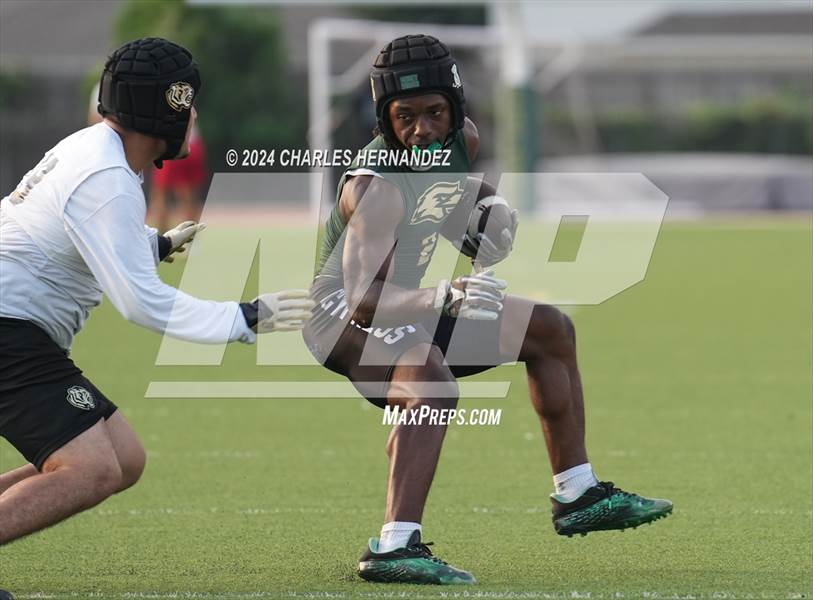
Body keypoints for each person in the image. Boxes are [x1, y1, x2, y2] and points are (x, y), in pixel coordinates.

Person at [303, 34, 672, 585]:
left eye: (433, 113)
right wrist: (441, 296)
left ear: (456, 111)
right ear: (385, 120)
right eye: (405, 117)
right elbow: (361, 297)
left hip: (405, 304)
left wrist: (487, 212)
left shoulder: (462, 142)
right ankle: (393, 547)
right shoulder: (374, 188)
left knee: (548, 329)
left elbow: (451, 201)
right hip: (342, 321)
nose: (422, 129)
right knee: (428, 378)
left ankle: (577, 493)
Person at [0, 37, 314, 553]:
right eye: (187, 105)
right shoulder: (107, 176)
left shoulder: (98, 152)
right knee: (92, 469)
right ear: (163, 111)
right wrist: (245, 317)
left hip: (19, 332)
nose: (194, 118)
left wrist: (158, 242)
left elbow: (84, 239)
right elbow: (141, 302)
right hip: (10, 333)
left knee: (123, 459)